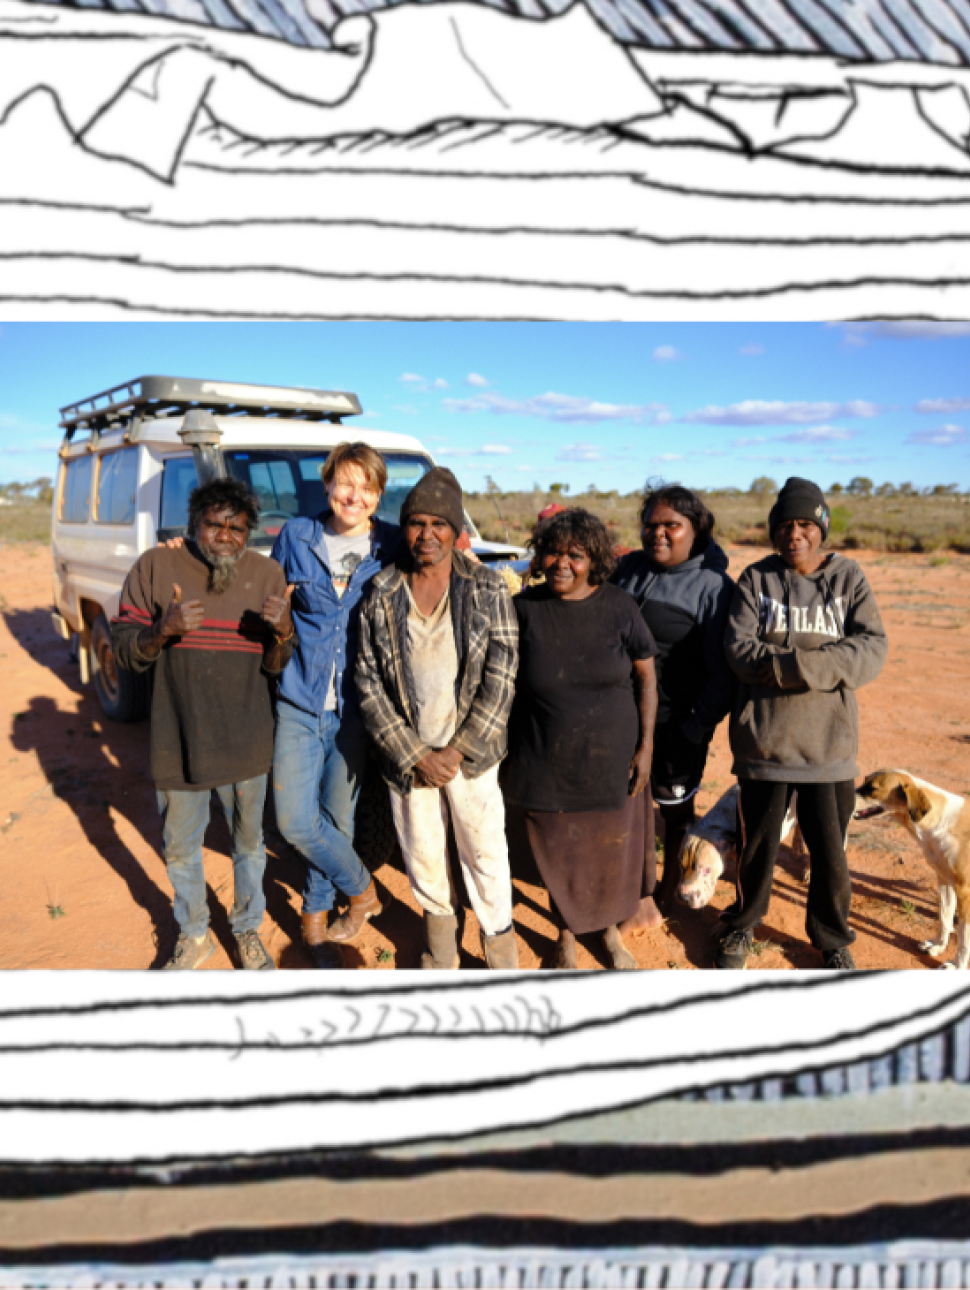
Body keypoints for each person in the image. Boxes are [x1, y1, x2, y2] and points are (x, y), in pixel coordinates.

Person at [112, 477, 294, 971]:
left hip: (248, 739)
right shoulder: (157, 566)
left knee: (250, 846)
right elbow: (124, 651)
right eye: (216, 525)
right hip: (179, 739)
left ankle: (246, 929)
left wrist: (284, 630)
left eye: (238, 528)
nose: (227, 536)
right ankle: (194, 934)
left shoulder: (267, 574)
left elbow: (278, 664)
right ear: (195, 524)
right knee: (179, 849)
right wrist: (163, 629)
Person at [715, 476, 888, 971]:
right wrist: (819, 664)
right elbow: (739, 650)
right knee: (757, 849)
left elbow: (870, 649)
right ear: (775, 531)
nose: (796, 534)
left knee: (829, 855)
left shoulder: (848, 579)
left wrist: (790, 666)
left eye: (806, 524)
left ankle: (831, 937)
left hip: (829, 746)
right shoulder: (755, 580)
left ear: (822, 529)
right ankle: (742, 926)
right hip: (764, 743)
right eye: (786, 525)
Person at [356, 466, 520, 970]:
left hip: (471, 757)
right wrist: (414, 754)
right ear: (403, 528)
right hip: (409, 761)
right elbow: (367, 682)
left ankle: (499, 948)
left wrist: (456, 750)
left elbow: (503, 677)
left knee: (484, 851)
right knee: (423, 855)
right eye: (415, 523)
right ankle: (442, 949)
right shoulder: (381, 594)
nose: (426, 534)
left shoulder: (488, 589)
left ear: (455, 530)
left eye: (438, 524)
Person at [503, 508, 658, 971]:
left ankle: (609, 931)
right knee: (560, 850)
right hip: (544, 753)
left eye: (576, 554)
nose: (562, 563)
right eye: (552, 552)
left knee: (608, 847)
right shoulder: (524, 609)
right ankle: (566, 932)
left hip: (611, 754)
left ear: (595, 560)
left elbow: (647, 678)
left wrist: (646, 746)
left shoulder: (619, 606)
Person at [270, 442, 401, 960]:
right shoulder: (297, 537)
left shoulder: (390, 544)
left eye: (367, 488)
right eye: (345, 483)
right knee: (295, 821)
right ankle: (363, 891)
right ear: (327, 485)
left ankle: (314, 918)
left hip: (356, 706)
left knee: (338, 820)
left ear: (378, 496)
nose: (355, 496)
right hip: (300, 699)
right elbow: (267, 596)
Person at [612, 485, 735, 929]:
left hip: (676, 723)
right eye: (651, 525)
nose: (658, 534)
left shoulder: (713, 587)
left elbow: (724, 672)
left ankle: (668, 885)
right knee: (626, 802)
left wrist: (695, 726)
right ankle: (629, 882)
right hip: (620, 716)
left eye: (671, 526)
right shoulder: (628, 569)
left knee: (674, 810)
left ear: (695, 529)